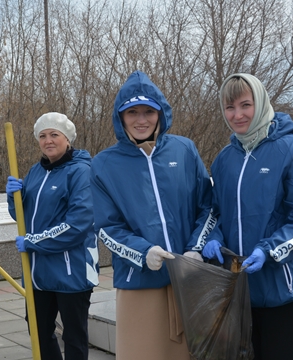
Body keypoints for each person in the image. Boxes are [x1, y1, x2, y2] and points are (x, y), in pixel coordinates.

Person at [90, 70, 215, 360]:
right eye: (132, 112)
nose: (141, 119)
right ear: (120, 117)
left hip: (188, 279)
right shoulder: (104, 164)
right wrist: (143, 252)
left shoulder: (184, 150)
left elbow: (208, 205)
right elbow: (106, 227)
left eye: (148, 111)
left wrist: (196, 247)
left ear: (161, 113)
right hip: (139, 282)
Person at [202, 73, 293, 360]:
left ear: (261, 102)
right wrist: (214, 237)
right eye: (230, 107)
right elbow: (216, 212)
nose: (238, 115)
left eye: (246, 105)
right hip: (238, 292)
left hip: (282, 289)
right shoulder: (224, 159)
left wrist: (268, 250)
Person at [6, 112, 99, 360]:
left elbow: (77, 224)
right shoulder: (36, 172)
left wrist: (34, 242)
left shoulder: (81, 172)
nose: (48, 141)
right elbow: (22, 218)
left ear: (67, 139)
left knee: (74, 337)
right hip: (38, 272)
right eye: (43, 136)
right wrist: (13, 198)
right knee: (38, 331)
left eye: (54, 135)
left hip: (72, 271)